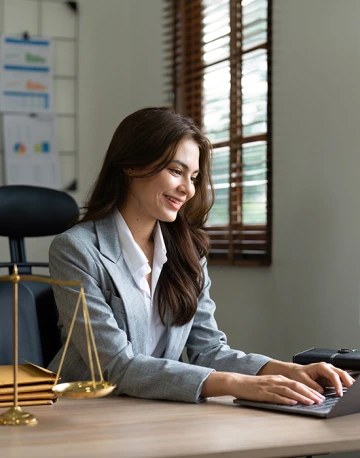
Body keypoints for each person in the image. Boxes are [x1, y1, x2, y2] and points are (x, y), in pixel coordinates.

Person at [48, 107, 354, 404]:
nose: (188, 189)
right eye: (176, 171)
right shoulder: (76, 249)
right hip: (87, 411)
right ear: (131, 165)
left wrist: (290, 371)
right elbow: (114, 365)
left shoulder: (187, 251)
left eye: (193, 177)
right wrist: (240, 384)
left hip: (152, 409)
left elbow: (207, 350)